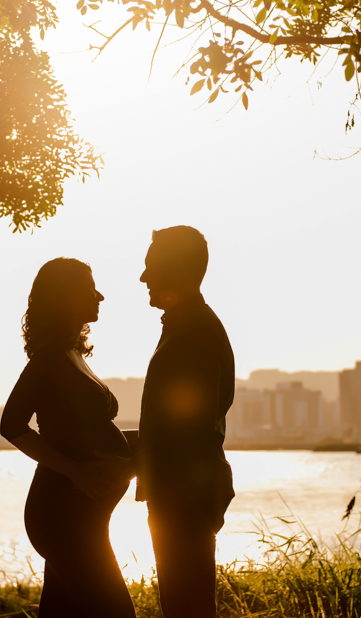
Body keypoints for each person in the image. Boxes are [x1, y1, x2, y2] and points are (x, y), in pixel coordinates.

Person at [0, 258, 136, 618]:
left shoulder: (72, 353)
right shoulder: (48, 358)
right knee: (117, 612)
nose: (101, 296)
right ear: (65, 297)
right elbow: (11, 425)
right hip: (61, 516)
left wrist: (151, 447)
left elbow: (88, 431)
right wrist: (77, 472)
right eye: (90, 288)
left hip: (82, 518)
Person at [135, 226, 235, 618]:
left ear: (174, 268)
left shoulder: (194, 333)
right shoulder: (187, 327)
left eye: (150, 267)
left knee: (186, 608)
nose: (143, 278)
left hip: (183, 498)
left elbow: (186, 429)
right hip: (181, 495)